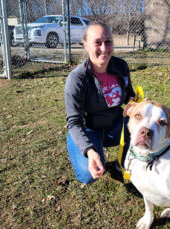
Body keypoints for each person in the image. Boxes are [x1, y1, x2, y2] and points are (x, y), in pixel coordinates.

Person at [64, 21, 135, 184]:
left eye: (108, 42)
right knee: (88, 175)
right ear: (86, 45)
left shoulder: (121, 66)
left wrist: (133, 100)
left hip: (115, 125)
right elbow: (74, 122)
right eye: (97, 42)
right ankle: (80, 144)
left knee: (141, 125)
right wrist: (89, 150)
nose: (104, 48)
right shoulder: (77, 79)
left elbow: (127, 95)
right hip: (88, 129)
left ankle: (123, 162)